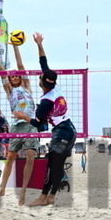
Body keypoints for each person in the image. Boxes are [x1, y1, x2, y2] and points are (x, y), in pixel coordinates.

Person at [22, 33, 77, 207]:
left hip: (62, 133)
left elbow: (38, 124)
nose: (39, 77)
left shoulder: (45, 102)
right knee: (57, 166)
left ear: (42, 82)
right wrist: (39, 44)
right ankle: (51, 197)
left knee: (52, 166)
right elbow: (43, 63)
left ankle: (43, 197)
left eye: (40, 77)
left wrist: (24, 117)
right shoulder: (55, 88)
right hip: (70, 130)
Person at [0, 37, 38, 206]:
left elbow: (21, 65)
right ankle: (2, 189)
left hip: (30, 124)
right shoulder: (9, 90)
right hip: (16, 126)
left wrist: (15, 46)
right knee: (10, 158)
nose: (14, 77)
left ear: (20, 78)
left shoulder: (26, 86)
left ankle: (23, 191)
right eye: (12, 76)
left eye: (16, 76)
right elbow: (2, 72)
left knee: (30, 157)